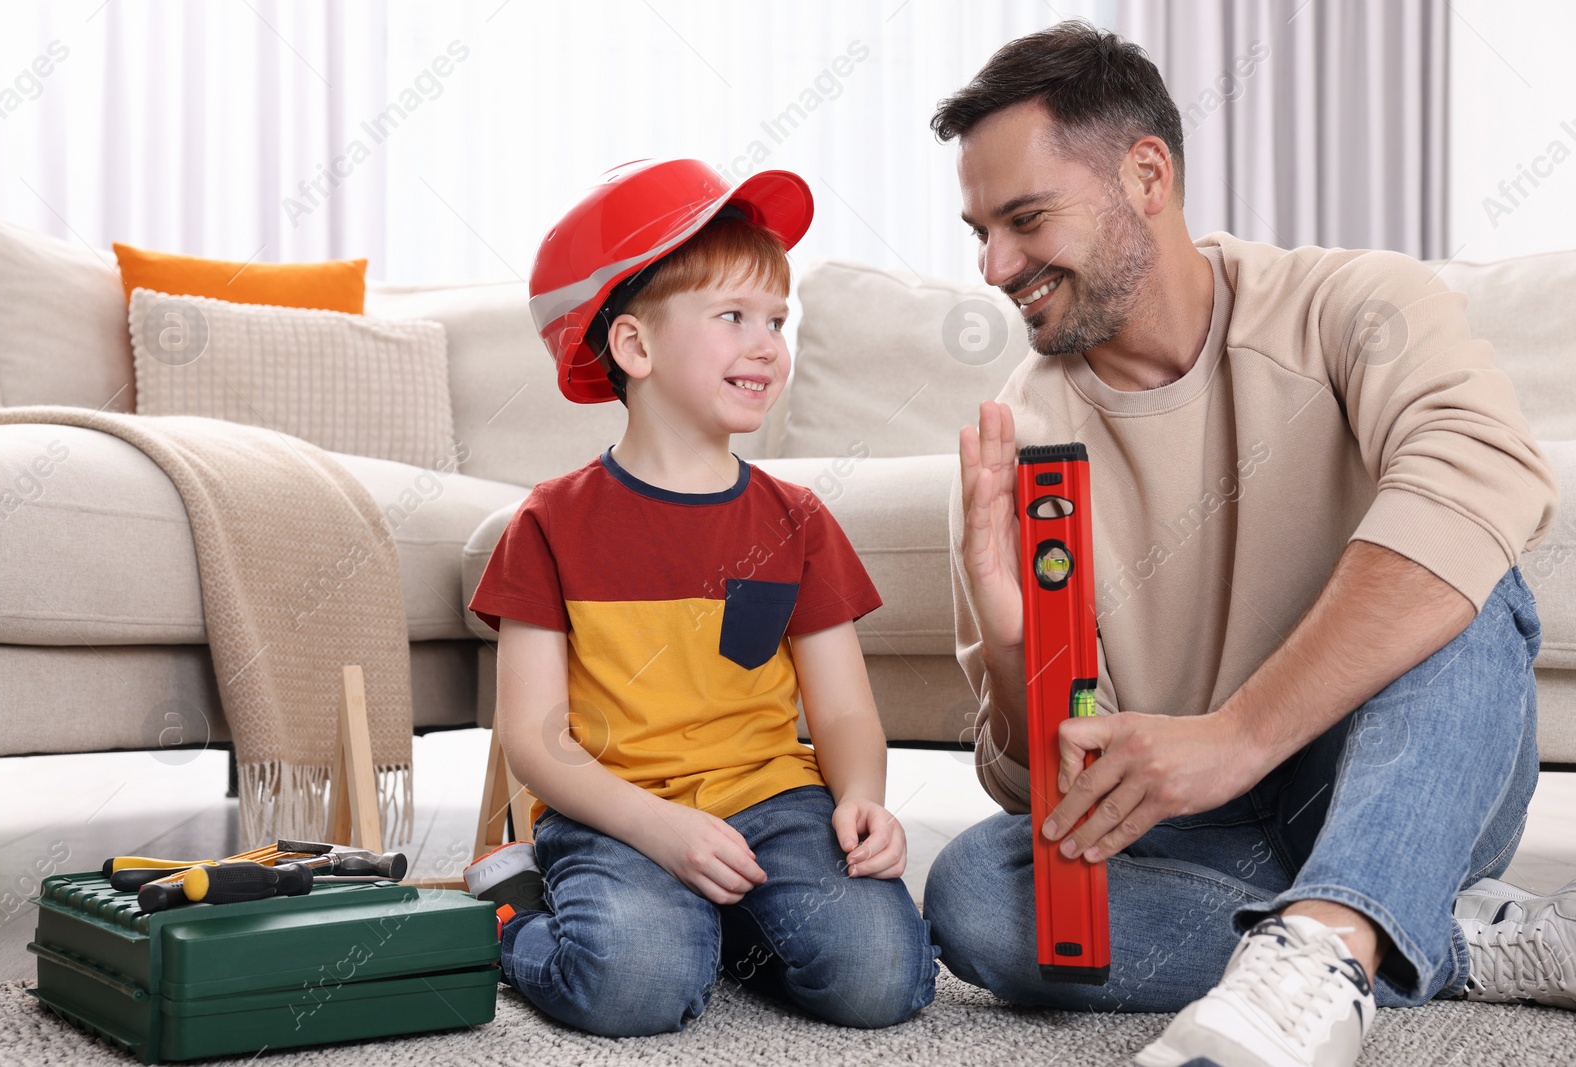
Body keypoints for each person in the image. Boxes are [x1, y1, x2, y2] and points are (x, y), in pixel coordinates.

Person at [919, 21, 1572, 1067]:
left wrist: (1237, 733)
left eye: (1024, 218)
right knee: (977, 892)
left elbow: (1478, 480)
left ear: (1145, 174)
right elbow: (1043, 793)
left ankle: (1323, 948)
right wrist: (1011, 650)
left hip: (1399, 773)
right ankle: (1422, 937)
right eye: (979, 231)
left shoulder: (1353, 305)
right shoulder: (1025, 433)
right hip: (1193, 830)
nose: (996, 266)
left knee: (1465, 576)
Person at [464, 158, 938, 1038]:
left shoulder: (799, 520)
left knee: (882, 974)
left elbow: (841, 713)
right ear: (636, 347)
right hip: (618, 807)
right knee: (632, 982)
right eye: (733, 318)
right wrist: (659, 829)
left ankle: (727, 931)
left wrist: (862, 795)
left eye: (776, 320)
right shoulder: (548, 523)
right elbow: (535, 737)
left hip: (775, 805)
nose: (768, 344)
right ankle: (512, 915)